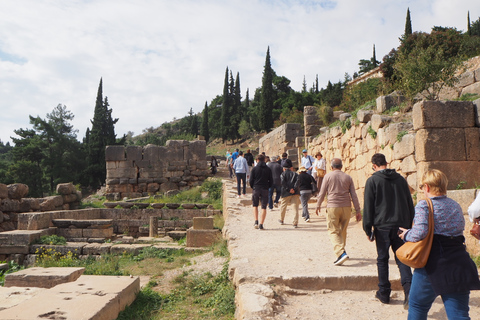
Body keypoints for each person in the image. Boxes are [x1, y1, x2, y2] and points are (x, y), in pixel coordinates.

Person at [398, 169, 480, 319]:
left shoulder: (424, 205)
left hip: (433, 264)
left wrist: (406, 234)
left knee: (417, 306)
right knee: (459, 315)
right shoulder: (455, 205)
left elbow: (420, 232)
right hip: (458, 263)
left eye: (422, 187)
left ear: (427, 187)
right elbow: (458, 229)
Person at [363, 153, 414, 307]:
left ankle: (384, 293)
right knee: (402, 259)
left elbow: (368, 206)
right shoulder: (400, 180)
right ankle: (409, 292)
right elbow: (409, 204)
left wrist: (368, 228)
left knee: (382, 259)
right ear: (386, 163)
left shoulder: (372, 181)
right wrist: (410, 226)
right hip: (401, 226)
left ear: (374, 165)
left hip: (382, 226)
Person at [315, 158, 361, 266]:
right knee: (343, 230)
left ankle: (341, 253)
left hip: (333, 206)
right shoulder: (348, 177)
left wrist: (318, 205)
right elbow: (353, 195)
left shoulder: (328, 176)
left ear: (331, 167)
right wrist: (358, 210)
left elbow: (322, 193)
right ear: (341, 166)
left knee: (332, 230)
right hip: (346, 207)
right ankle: (341, 253)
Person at [249, 154, 273, 230]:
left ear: (257, 160)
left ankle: (256, 221)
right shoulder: (268, 169)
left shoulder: (254, 169)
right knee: (264, 207)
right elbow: (271, 181)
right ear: (264, 160)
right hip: (265, 188)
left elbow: (251, 180)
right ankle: (261, 224)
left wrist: (253, 187)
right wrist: (267, 186)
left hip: (256, 188)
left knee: (255, 205)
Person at [279, 159, 300, 228]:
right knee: (295, 207)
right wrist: (293, 189)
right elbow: (297, 183)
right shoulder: (295, 174)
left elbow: (283, 183)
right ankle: (295, 222)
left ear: (284, 169)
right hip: (295, 192)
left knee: (283, 206)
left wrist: (288, 189)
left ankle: (281, 219)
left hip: (285, 192)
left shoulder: (283, 174)